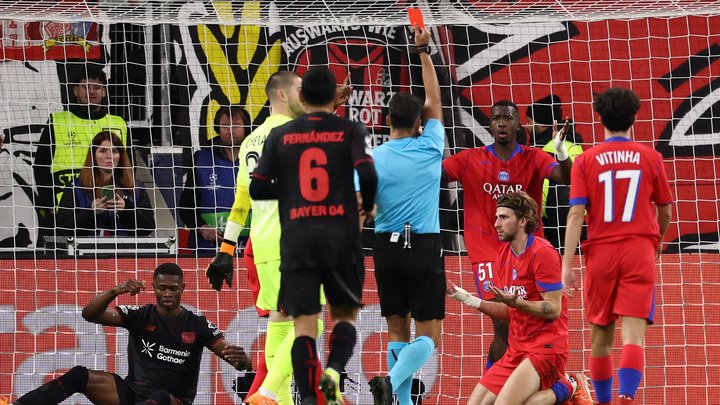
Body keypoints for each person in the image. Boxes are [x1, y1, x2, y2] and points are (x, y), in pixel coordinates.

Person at [248, 66, 377, 405]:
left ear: (301, 97)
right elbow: (367, 175)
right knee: (344, 317)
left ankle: (306, 397)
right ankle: (333, 371)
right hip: (340, 238)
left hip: (297, 242)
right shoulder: (350, 130)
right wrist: (367, 206)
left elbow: (257, 189)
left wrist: (293, 194)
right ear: (334, 97)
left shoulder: (281, 135)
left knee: (304, 326)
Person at [442, 99, 572, 372]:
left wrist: (560, 150)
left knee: (525, 323)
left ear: (518, 124)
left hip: (527, 252)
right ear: (490, 125)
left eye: (508, 118)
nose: (502, 123)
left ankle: (521, 380)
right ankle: (497, 382)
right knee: (503, 321)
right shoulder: (470, 158)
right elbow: (434, 175)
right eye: (496, 118)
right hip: (486, 253)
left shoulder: (534, 157)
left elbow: (565, 177)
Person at [562, 88, 673, 405]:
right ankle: (626, 399)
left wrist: (567, 264)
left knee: (601, 339)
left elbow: (575, 214)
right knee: (633, 338)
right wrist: (657, 241)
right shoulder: (651, 158)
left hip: (601, 253)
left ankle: (604, 402)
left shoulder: (585, 160)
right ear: (635, 117)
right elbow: (665, 210)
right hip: (638, 250)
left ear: (600, 119)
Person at [9, 263, 250, 405]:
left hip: (172, 401)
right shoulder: (140, 315)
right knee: (79, 375)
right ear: (153, 287)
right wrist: (117, 290)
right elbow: (89, 314)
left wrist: (243, 360)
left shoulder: (197, 324)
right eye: (162, 288)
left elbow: (236, 360)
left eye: (173, 289)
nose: (167, 294)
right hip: (132, 393)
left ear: (182, 289)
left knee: (161, 397)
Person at [366, 25, 445, 405]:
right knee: (429, 335)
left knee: (397, 330)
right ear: (419, 125)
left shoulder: (371, 158)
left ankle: (402, 402)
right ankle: (391, 381)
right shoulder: (430, 146)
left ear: (386, 121)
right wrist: (423, 51)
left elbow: (363, 205)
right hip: (423, 245)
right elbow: (434, 99)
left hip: (386, 248)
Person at [447, 192, 573, 404]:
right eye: (497, 217)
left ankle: (568, 386)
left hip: (546, 347)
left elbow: (553, 309)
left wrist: (517, 303)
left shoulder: (543, 253)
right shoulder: (503, 254)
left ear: (523, 220)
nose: (496, 224)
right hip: (517, 347)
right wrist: (468, 299)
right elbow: (509, 311)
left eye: (504, 217)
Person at [34, 65, 128, 227]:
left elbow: (129, 167)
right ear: (75, 90)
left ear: (104, 92)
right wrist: (49, 204)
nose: (91, 92)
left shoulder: (118, 123)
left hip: (110, 207)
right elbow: (41, 167)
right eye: (86, 87)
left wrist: (124, 200)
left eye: (97, 87)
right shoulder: (57, 121)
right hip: (66, 210)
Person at [179, 105, 250, 255]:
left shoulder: (258, 159)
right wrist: (202, 228)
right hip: (208, 248)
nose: (230, 131)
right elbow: (186, 206)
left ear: (246, 128)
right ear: (217, 129)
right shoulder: (201, 159)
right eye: (225, 126)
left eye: (236, 125)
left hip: (250, 247)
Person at [55, 131, 154, 237]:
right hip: (89, 247)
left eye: (114, 151)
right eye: (103, 151)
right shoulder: (75, 187)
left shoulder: (136, 187)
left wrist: (127, 209)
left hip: (126, 247)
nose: (109, 156)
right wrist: (91, 212)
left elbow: (148, 228)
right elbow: (62, 230)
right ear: (93, 156)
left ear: (120, 156)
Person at [525, 94, 585, 250]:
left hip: (555, 219)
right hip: (578, 215)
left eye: (529, 121)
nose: (526, 126)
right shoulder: (575, 145)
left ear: (539, 123)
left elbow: (549, 188)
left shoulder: (542, 149)